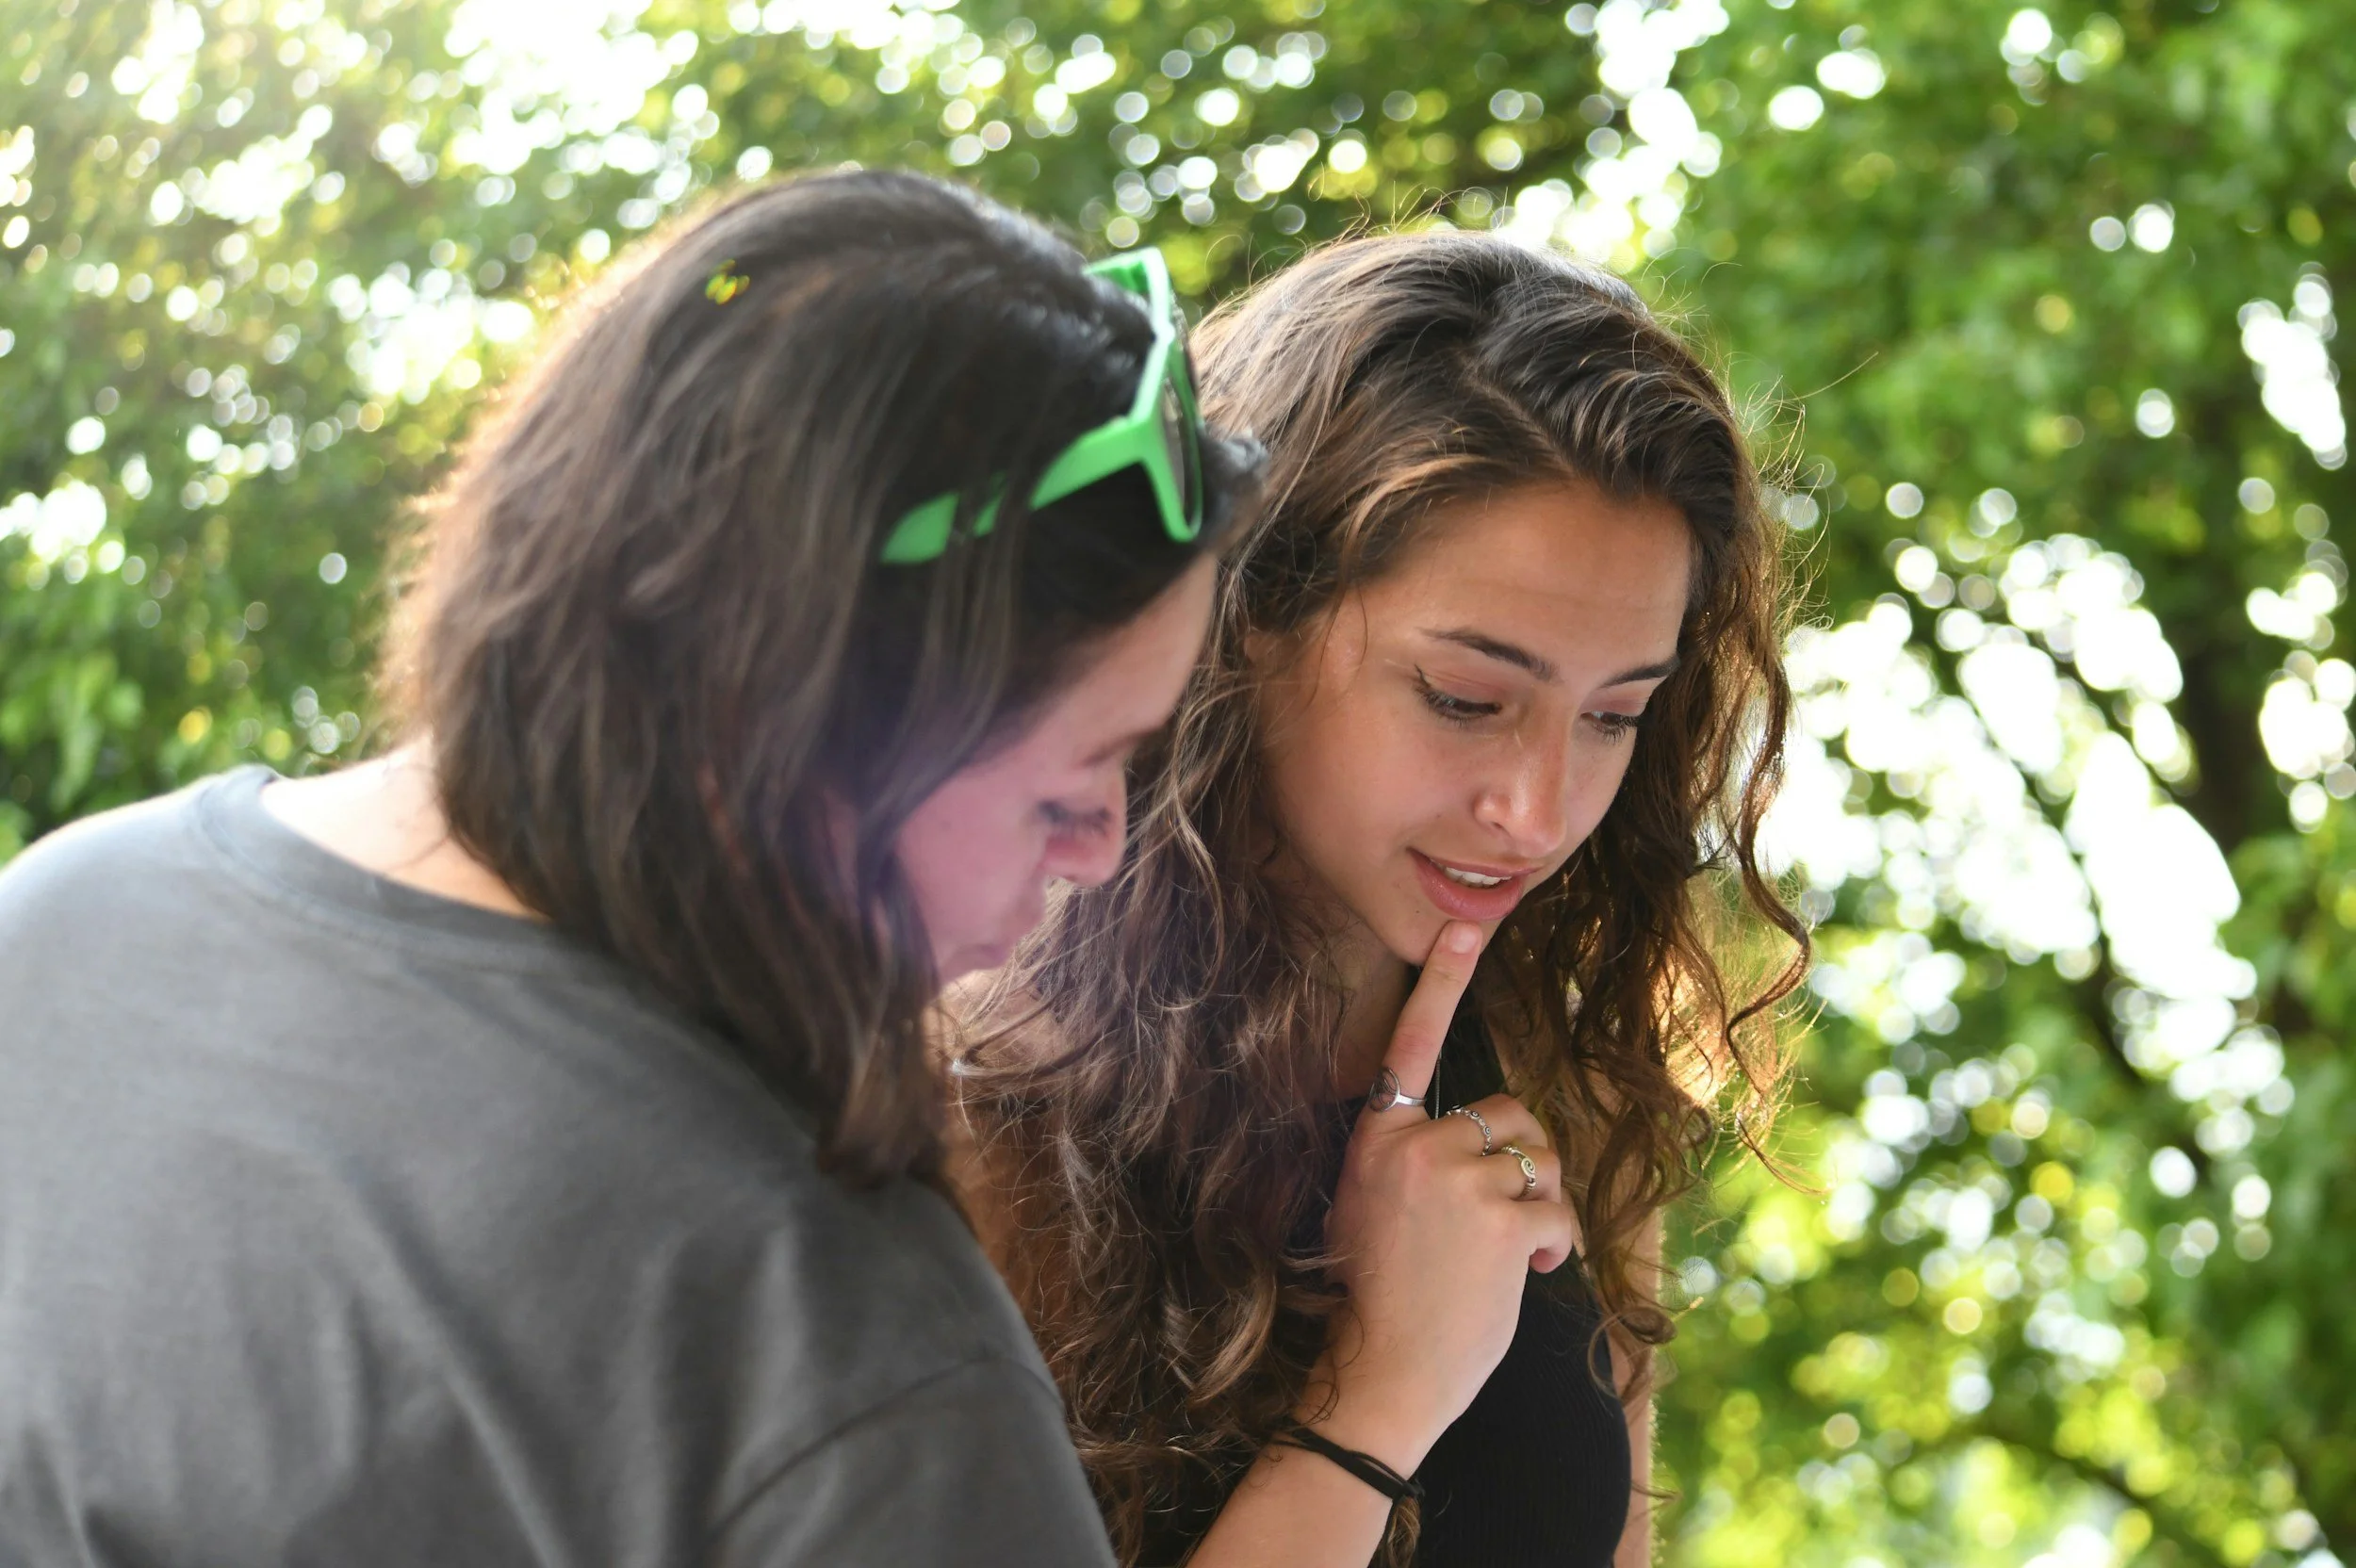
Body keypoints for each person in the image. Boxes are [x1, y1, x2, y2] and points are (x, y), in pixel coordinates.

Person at [0, 172, 1258, 1566]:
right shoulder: (839, 1349)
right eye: (1071, 778)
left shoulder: (60, 918)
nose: (1107, 847)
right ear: (792, 711)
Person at [949, 230, 1808, 1567]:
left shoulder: (1561, 1086)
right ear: (1243, 609)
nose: (1538, 809)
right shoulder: (968, 1112)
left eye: (1615, 716)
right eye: (1466, 699)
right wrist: (1377, 1400)